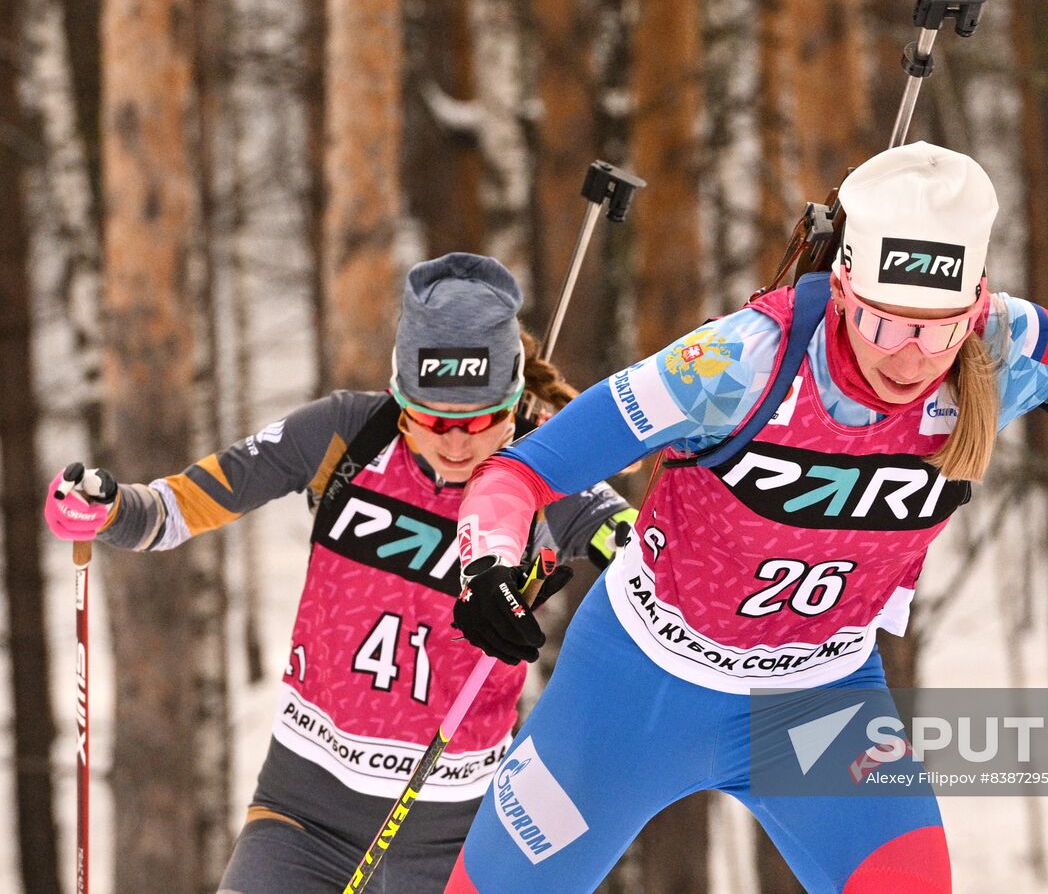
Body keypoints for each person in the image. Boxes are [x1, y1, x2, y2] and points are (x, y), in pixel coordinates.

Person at [442, 142, 1048, 893]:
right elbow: (523, 469)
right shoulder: (736, 362)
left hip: (819, 705)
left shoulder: (1008, 347)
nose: (909, 356)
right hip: (636, 686)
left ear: (974, 306)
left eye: (938, 329)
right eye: (883, 322)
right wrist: (486, 564)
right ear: (843, 290)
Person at [43, 253, 635, 893]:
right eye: (434, 420)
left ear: (514, 400)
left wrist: (625, 543)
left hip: (460, 833)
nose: (457, 444)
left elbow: (634, 541)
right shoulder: (346, 434)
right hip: (304, 818)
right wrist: (110, 511)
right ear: (399, 397)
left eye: (481, 421)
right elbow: (183, 504)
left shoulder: (544, 467)